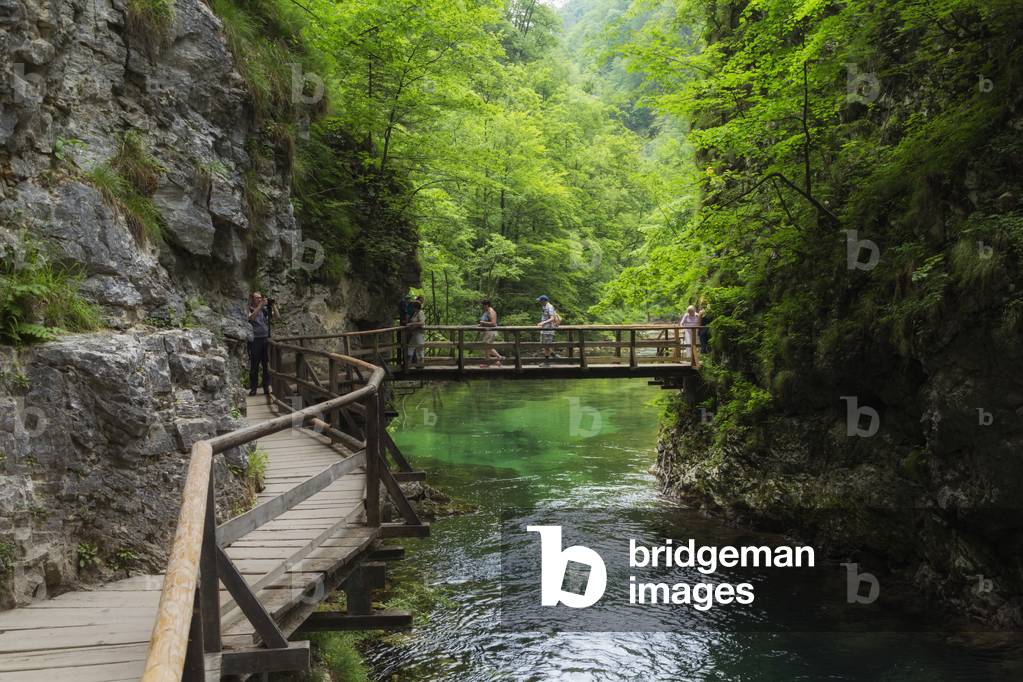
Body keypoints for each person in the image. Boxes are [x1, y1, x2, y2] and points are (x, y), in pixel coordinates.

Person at [247, 292, 278, 396]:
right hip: (255, 340)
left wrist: (273, 305)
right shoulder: (249, 308)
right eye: (257, 298)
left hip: (266, 339)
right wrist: (260, 307)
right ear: (252, 299)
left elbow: (277, 317)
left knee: (266, 365)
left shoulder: (264, 310)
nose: (259, 300)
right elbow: (250, 318)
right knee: (254, 365)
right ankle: (253, 388)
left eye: (260, 298)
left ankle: (266, 387)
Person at [478, 299, 503, 367]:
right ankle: (495, 360)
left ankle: (498, 358)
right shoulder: (487, 311)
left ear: (487, 305)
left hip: (491, 332)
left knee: (487, 346)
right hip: (488, 331)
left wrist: (483, 323)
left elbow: (493, 323)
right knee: (487, 347)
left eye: (483, 305)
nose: (483, 307)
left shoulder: (491, 311)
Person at [536, 295, 558, 366]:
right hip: (544, 329)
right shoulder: (544, 307)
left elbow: (552, 318)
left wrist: (543, 323)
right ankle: (554, 355)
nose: (539, 302)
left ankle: (547, 362)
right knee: (544, 345)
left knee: (546, 346)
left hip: (548, 329)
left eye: (540, 301)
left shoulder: (550, 307)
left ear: (544, 301)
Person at [408, 300, 426, 368]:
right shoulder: (416, 313)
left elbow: (422, 323)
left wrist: (411, 324)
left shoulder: (420, 313)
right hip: (414, 333)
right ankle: (410, 365)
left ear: (415, 307)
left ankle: (420, 366)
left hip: (419, 333)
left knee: (419, 349)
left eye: (413, 307)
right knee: (411, 347)